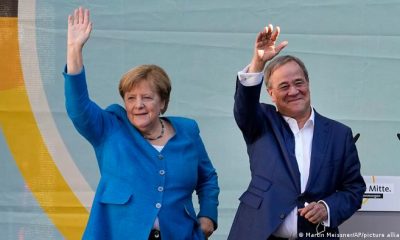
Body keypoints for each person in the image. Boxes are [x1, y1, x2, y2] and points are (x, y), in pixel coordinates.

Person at [63, 7, 219, 240]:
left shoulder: (188, 130)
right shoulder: (111, 128)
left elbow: (207, 178)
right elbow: (79, 109)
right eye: (131, 98)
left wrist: (208, 216)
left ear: (163, 103)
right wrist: (74, 50)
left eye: (147, 98)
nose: (138, 105)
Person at [228, 24, 366, 240]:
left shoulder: (339, 135)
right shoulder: (260, 121)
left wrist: (327, 208)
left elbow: (354, 189)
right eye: (284, 86)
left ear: (308, 84)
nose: (293, 91)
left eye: (298, 82)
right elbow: (244, 106)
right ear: (271, 93)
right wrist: (258, 63)